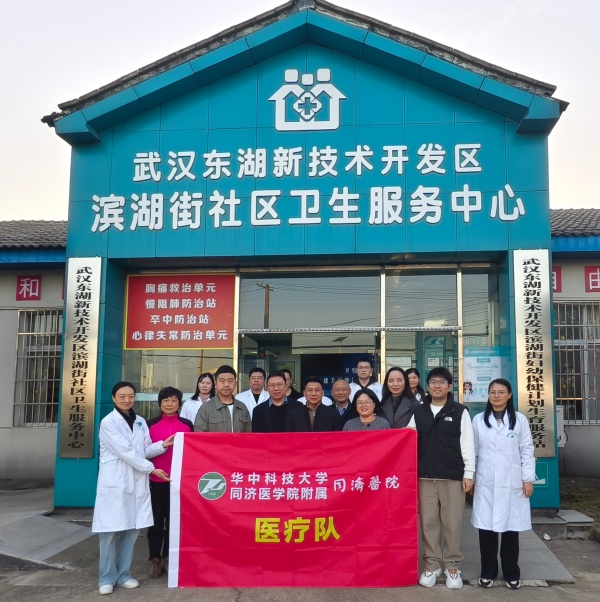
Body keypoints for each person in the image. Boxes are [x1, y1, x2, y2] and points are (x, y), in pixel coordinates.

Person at [92, 381, 174, 596]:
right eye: (122, 396)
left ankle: (124, 574)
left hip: (136, 483)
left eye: (130, 396)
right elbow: (126, 452)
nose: (127, 400)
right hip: (116, 484)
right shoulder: (108, 423)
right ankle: (106, 577)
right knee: (109, 533)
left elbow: (143, 450)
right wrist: (152, 469)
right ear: (113, 398)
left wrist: (163, 445)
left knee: (131, 530)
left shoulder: (139, 421)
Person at [407, 367, 475, 590]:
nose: (437, 386)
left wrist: (469, 474)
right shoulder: (419, 411)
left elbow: (467, 444)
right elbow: (406, 440)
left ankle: (453, 566)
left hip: (452, 476)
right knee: (428, 523)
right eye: (433, 382)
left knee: (452, 523)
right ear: (427, 386)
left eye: (441, 382)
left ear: (449, 386)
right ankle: (432, 565)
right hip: (424, 476)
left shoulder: (460, 411)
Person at [471, 379, 535, 590]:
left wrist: (527, 479)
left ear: (509, 395)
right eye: (492, 392)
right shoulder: (479, 420)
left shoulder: (520, 420)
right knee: (486, 531)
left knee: (510, 531)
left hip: (511, 484)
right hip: (486, 483)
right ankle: (487, 573)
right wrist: (471, 478)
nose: (496, 396)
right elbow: (473, 452)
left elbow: (527, 451)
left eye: (501, 392)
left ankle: (511, 573)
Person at [146, 386, 193, 579]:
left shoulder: (187, 424)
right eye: (165, 400)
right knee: (156, 522)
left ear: (179, 404)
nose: (169, 404)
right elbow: (144, 451)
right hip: (156, 480)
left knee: (174, 521)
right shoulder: (150, 424)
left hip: (179, 481)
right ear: (160, 404)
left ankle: (168, 557)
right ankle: (155, 559)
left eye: (174, 400)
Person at [194, 365, 251, 432]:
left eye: (230, 381)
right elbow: (199, 435)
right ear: (215, 384)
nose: (226, 384)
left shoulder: (242, 407)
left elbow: (249, 434)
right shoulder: (206, 408)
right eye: (222, 381)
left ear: (235, 384)